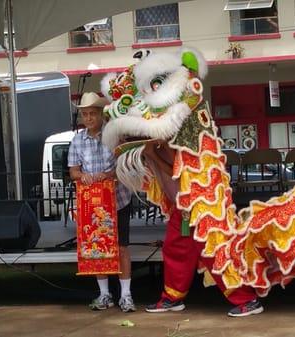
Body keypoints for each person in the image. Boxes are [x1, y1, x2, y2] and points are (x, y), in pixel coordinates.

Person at [141, 139, 264, 317]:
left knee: (213, 252)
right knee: (175, 248)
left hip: (203, 206)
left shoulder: (194, 138)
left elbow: (180, 172)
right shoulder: (168, 140)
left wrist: (152, 153)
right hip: (183, 206)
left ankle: (247, 299)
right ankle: (172, 297)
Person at [67, 92, 135, 312]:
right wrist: (82, 176)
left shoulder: (115, 136)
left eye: (92, 114)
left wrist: (109, 174)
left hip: (118, 199)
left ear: (101, 114)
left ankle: (126, 295)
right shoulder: (78, 140)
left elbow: (125, 165)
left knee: (121, 247)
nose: (88, 118)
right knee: (97, 247)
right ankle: (104, 294)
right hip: (93, 205)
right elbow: (73, 171)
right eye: (85, 114)